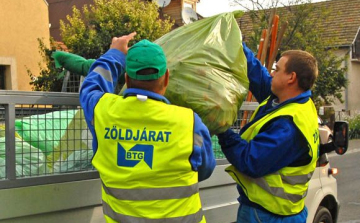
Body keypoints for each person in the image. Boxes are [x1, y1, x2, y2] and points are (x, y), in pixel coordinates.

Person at [79, 32, 216, 223]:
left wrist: (115, 54)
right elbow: (205, 169)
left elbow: (91, 87)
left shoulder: (102, 112)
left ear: (126, 80)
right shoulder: (190, 122)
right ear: (166, 77)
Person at [216, 43, 320, 223]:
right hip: (273, 211)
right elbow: (257, 72)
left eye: (277, 69)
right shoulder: (287, 100)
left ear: (291, 78)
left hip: (269, 215)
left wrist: (221, 127)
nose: (271, 73)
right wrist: (235, 41)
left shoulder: (288, 126)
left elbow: (250, 161)